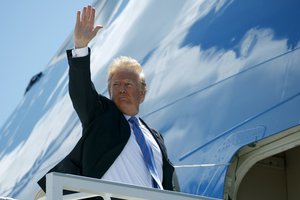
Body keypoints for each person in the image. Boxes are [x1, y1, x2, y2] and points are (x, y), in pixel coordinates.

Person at [37, 5, 174, 199]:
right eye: (115, 84)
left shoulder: (155, 137)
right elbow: (81, 91)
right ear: (109, 92)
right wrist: (81, 47)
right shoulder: (100, 116)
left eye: (128, 84)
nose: (121, 89)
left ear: (142, 93)